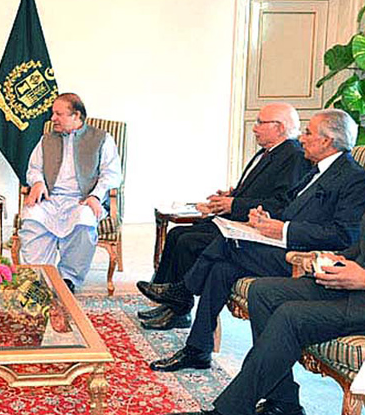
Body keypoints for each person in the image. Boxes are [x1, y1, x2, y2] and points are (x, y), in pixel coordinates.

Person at [146, 109, 365, 373]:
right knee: (220, 269)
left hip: (305, 259)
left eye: (308, 132)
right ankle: (198, 349)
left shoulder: (352, 177)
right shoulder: (316, 170)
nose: (302, 138)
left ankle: (183, 291)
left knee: (228, 243)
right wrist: (264, 219)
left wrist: (284, 229)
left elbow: (344, 235)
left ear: (327, 141)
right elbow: (289, 206)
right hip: (282, 246)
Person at [167, 213, 365, 415]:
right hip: (353, 284)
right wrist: (342, 258)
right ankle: (283, 403)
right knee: (264, 292)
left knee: (291, 316)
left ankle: (230, 411)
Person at [137, 103, 311, 330]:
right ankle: (171, 303)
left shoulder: (293, 156)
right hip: (237, 217)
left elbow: (281, 203)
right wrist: (232, 195)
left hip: (251, 227)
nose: (254, 128)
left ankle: (178, 307)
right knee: (177, 234)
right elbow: (261, 190)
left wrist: (234, 204)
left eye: (260, 122)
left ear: (279, 127)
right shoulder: (269, 151)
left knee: (188, 241)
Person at [18, 93, 122, 291]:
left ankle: (69, 279)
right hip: (51, 198)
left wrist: (95, 196)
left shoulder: (101, 139)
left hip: (82, 200)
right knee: (32, 216)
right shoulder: (46, 140)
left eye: (59, 114)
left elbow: (112, 174)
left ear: (76, 116)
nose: (52, 119)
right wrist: (38, 183)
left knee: (84, 220)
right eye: (53, 113)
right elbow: (34, 168)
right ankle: (39, 275)